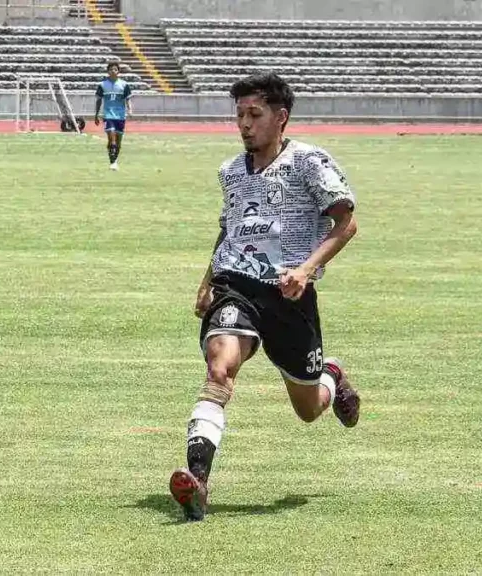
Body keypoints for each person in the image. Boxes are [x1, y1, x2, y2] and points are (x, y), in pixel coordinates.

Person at [169, 72, 361, 522]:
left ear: (281, 117)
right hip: (237, 285)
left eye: (254, 114)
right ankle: (198, 481)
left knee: (309, 409)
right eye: (239, 115)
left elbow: (346, 223)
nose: (244, 124)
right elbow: (229, 229)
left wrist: (306, 269)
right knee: (220, 366)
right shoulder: (231, 172)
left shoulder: (310, 163)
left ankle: (331, 374)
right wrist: (207, 279)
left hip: (290, 296)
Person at [93, 62, 132, 171]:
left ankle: (115, 159)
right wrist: (96, 114)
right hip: (108, 114)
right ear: (108, 71)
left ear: (118, 71)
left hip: (120, 116)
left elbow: (127, 99)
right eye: (111, 69)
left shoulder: (124, 85)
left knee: (118, 141)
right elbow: (99, 100)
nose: (113, 71)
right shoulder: (102, 85)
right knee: (111, 137)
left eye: (115, 69)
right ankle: (113, 162)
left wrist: (130, 110)